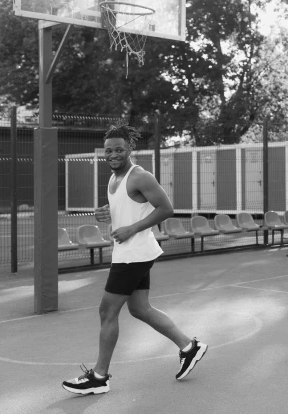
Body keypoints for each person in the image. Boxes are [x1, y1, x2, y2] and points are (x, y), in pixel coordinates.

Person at [63, 124, 207, 395]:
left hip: (133, 254)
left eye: (119, 149)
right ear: (103, 153)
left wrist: (132, 228)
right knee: (140, 309)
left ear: (129, 149)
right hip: (130, 253)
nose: (113, 154)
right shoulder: (113, 179)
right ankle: (190, 347)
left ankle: (99, 376)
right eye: (108, 150)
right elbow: (126, 209)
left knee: (107, 311)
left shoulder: (139, 175)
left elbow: (166, 209)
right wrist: (105, 214)